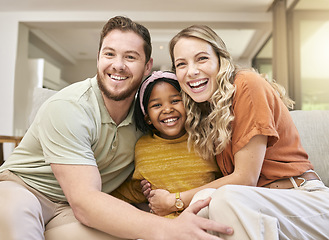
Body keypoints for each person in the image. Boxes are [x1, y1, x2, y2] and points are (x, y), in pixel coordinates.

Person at [0, 17, 234, 240]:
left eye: (130, 57)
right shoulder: (70, 107)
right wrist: (169, 228)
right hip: (25, 189)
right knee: (14, 219)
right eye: (109, 54)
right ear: (99, 58)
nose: (118, 65)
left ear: (147, 67)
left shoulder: (148, 116)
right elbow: (86, 202)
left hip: (68, 209)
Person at [142, 24, 329, 239]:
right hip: (259, 209)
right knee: (197, 211)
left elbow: (245, 178)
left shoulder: (246, 85)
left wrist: (174, 200)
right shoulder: (206, 110)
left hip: (305, 203)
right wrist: (153, 184)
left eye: (201, 59)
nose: (191, 71)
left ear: (220, 60)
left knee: (223, 198)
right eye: (181, 64)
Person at [111, 70, 220, 218]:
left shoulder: (205, 139)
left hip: (207, 220)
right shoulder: (142, 147)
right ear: (147, 117)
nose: (168, 109)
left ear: (188, 105)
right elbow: (136, 189)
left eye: (175, 101)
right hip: (162, 228)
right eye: (156, 105)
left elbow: (223, 182)